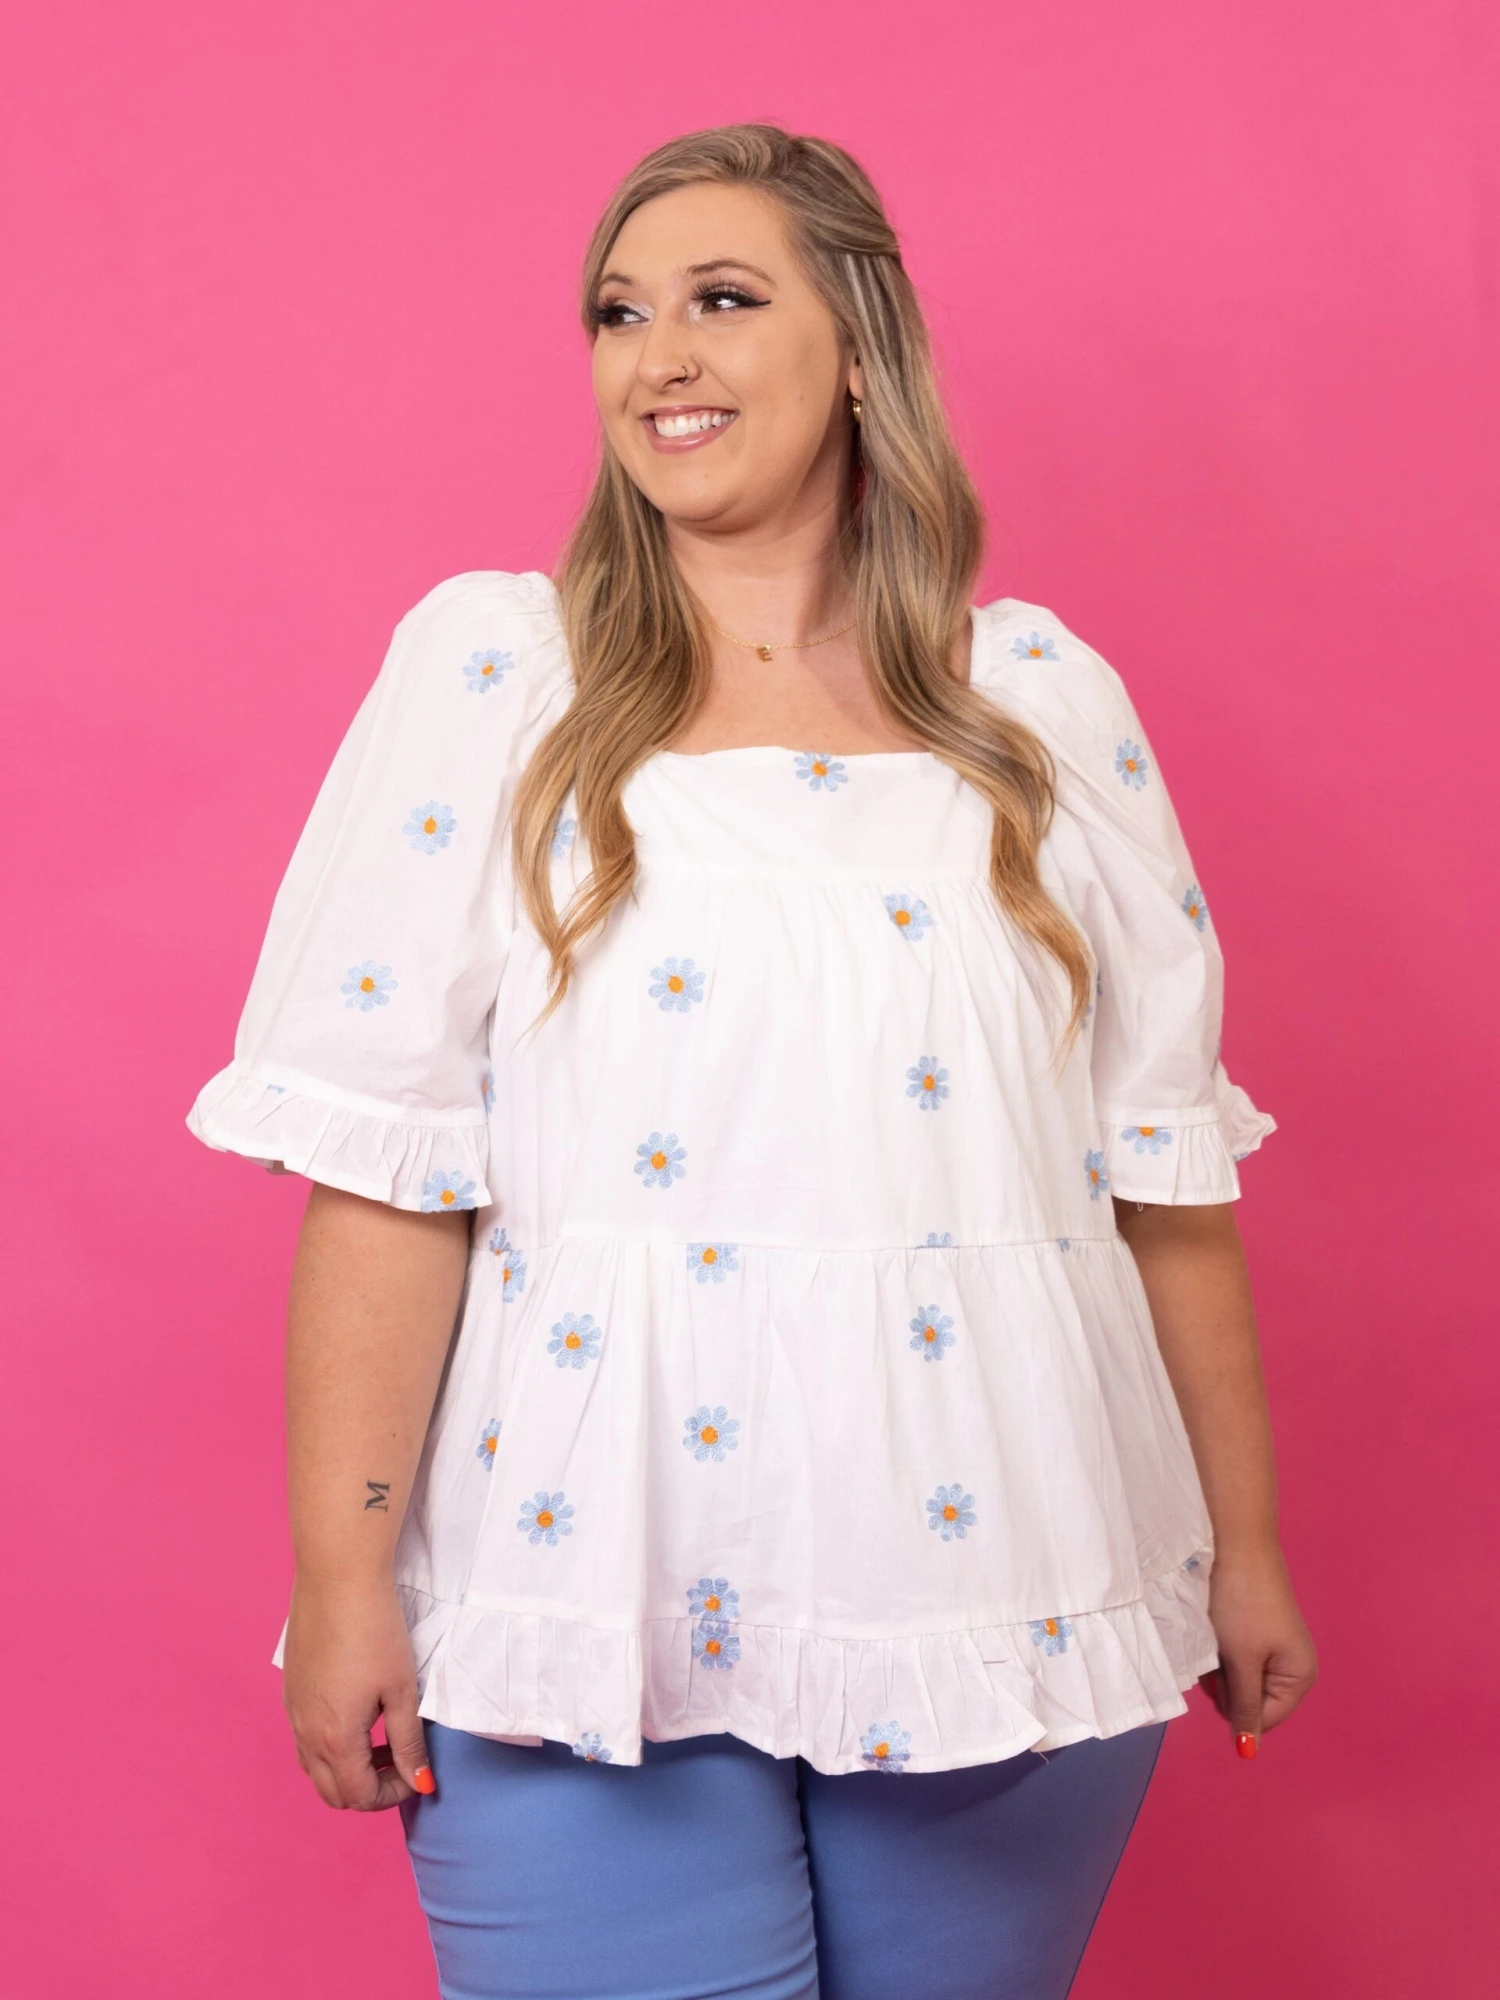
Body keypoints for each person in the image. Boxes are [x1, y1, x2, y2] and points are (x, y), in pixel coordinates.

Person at [186, 123, 1317, 2000]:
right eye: (618, 314)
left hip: (1009, 1577)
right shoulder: (500, 681)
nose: (661, 359)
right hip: (581, 1586)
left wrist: (1245, 1549)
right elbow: (389, 1171)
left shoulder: (1040, 710)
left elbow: (1160, 1171)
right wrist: (343, 1579)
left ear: (859, 348)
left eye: (722, 300)